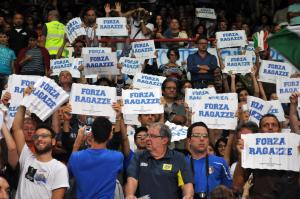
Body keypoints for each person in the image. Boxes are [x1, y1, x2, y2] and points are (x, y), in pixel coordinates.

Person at [233, 114, 300, 199]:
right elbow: (237, 186)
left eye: (274, 125)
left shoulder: (294, 149)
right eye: (266, 125)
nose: (270, 127)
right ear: (260, 131)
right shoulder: (253, 152)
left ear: (279, 130)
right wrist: (241, 156)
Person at [12, 100, 69, 199]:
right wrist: (24, 101)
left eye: (44, 136)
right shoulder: (27, 157)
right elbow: (17, 128)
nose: (39, 139)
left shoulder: (59, 168)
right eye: (36, 136)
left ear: (53, 141)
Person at [125, 123, 194, 199]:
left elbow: (186, 183)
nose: (147, 139)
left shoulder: (178, 158)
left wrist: (188, 195)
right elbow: (132, 179)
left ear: (164, 140)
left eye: (152, 136)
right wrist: (130, 194)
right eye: (147, 135)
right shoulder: (139, 156)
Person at [68, 116, 123, 199]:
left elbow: (69, 172)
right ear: (110, 135)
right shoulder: (117, 157)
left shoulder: (76, 157)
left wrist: (77, 142)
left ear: (91, 134)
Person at [186, 122, 232, 198]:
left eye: (205, 136)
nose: (202, 139)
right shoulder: (182, 163)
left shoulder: (220, 162)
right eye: (197, 136)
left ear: (208, 140)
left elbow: (228, 190)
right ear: (189, 141)